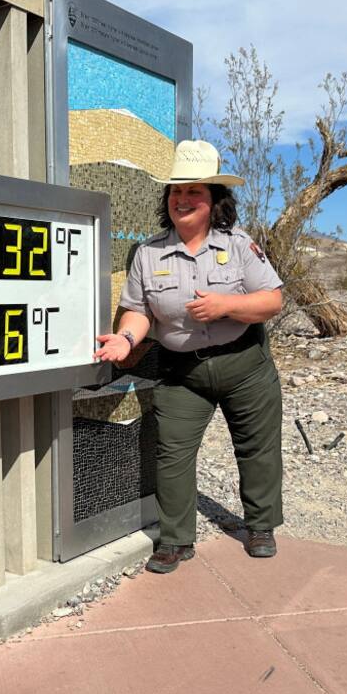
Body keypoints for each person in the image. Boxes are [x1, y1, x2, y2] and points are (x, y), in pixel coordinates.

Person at [95, 140, 285, 574]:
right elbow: (138, 310)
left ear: (214, 201)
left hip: (244, 365)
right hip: (183, 372)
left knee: (257, 449)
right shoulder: (149, 252)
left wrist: (226, 306)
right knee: (172, 453)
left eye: (194, 192)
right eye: (176, 192)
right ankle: (175, 539)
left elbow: (272, 301)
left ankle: (260, 526)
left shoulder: (239, 245)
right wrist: (126, 339)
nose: (182, 199)